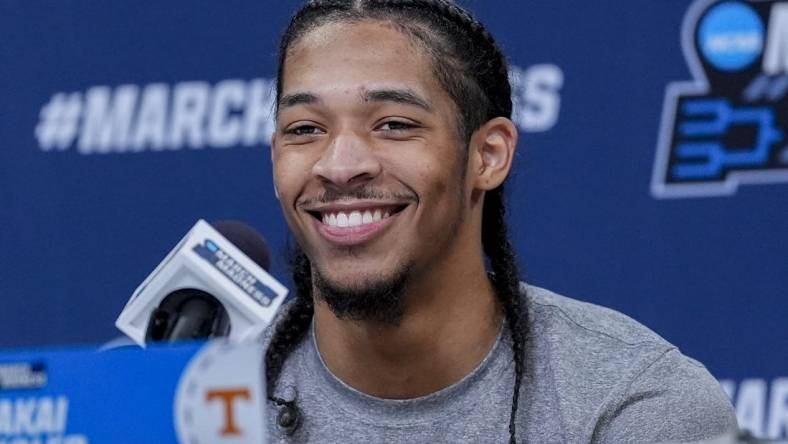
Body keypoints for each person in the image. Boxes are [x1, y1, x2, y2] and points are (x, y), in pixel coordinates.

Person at [264, 1, 738, 442]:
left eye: (394, 124)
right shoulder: (204, 393)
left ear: (488, 156)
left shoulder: (633, 405)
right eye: (305, 129)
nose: (339, 165)